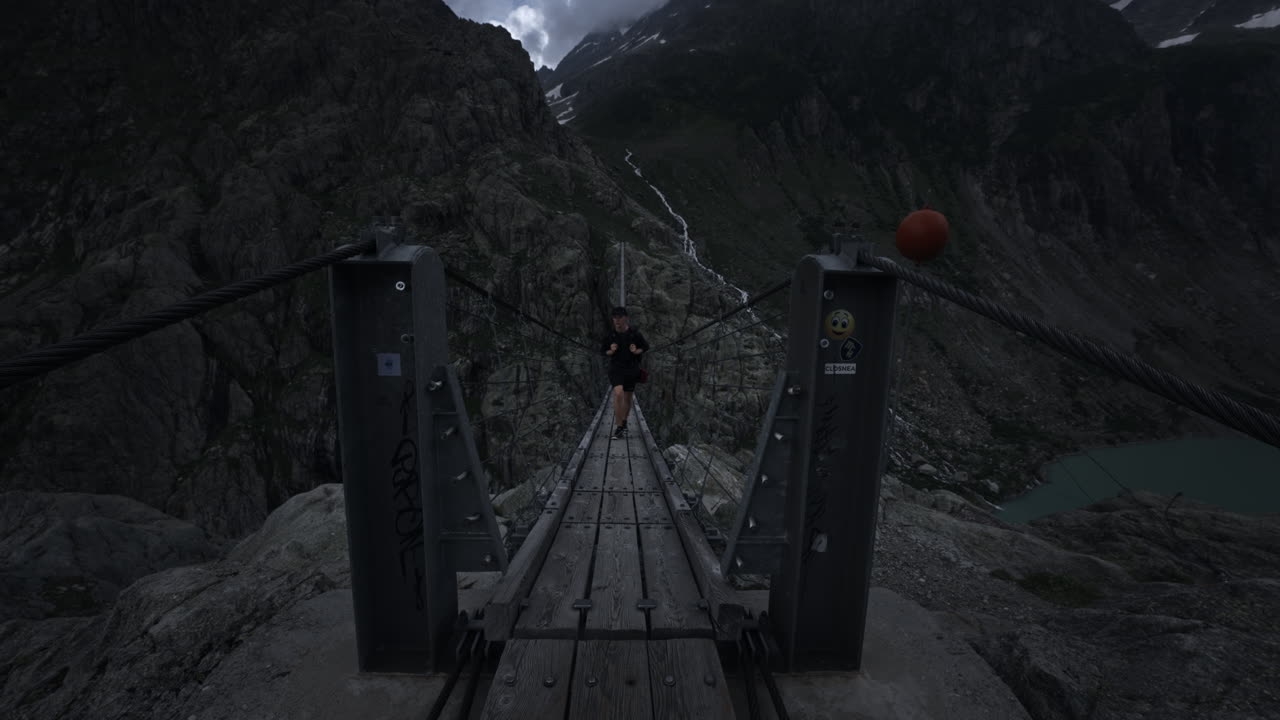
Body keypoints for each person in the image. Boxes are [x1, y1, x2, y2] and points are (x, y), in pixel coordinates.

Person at [601, 306, 649, 439]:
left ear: (626, 318)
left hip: (631, 369)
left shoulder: (635, 334)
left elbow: (645, 347)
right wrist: (610, 350)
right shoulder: (610, 335)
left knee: (628, 398)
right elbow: (603, 351)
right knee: (618, 394)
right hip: (616, 369)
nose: (617, 320)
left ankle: (624, 422)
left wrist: (636, 351)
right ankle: (619, 427)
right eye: (615, 318)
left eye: (620, 317)